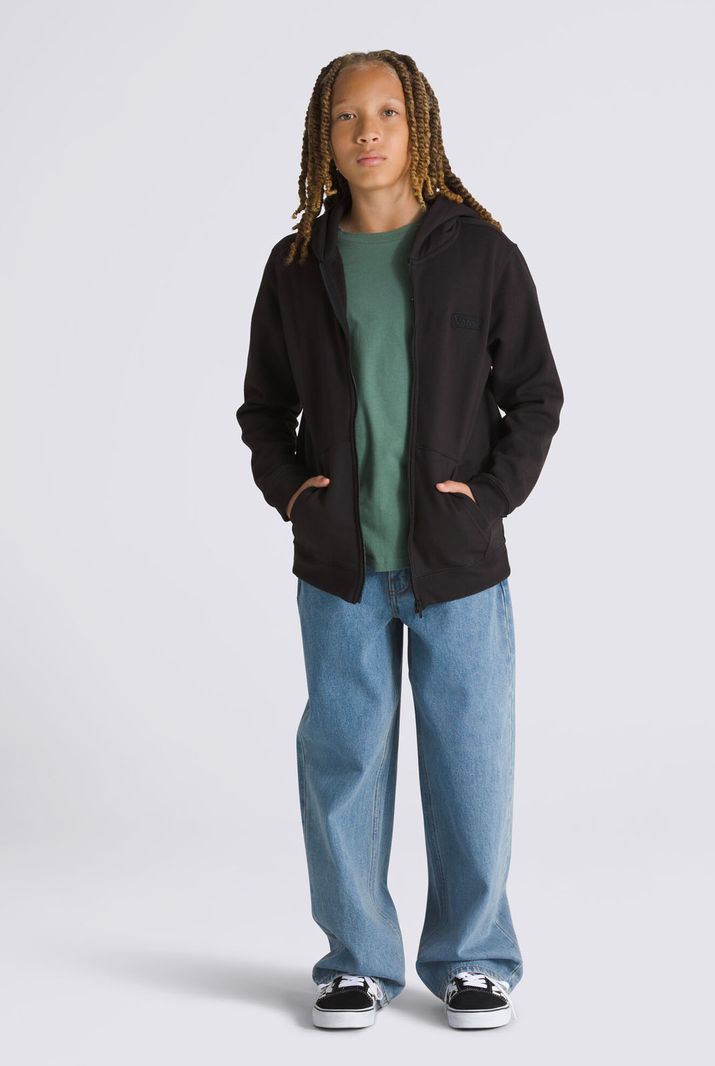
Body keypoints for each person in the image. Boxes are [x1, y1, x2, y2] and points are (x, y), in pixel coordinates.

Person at [235, 49, 564, 1030]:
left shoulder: (480, 253)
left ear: (417, 125)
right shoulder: (298, 264)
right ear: (323, 137)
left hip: (457, 562)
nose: (366, 131)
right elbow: (264, 409)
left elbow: (535, 396)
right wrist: (293, 494)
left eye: (386, 111)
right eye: (346, 116)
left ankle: (474, 958)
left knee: (470, 762)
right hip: (341, 564)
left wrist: (488, 497)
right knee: (343, 760)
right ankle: (355, 962)